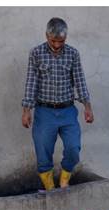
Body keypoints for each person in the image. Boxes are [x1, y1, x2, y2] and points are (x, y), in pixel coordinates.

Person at [21, 17, 94, 191]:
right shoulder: (36, 53)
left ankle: (64, 181)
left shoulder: (72, 54)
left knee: (73, 148)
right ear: (46, 35)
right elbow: (31, 82)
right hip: (44, 112)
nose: (56, 45)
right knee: (43, 153)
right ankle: (50, 188)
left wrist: (87, 107)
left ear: (65, 38)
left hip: (68, 111)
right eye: (53, 40)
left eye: (60, 41)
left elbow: (80, 81)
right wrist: (26, 110)